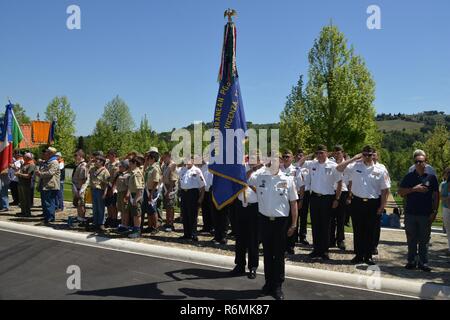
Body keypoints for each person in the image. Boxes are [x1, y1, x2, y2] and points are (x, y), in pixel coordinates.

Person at [252, 155, 298, 300]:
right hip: (265, 221)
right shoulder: (260, 177)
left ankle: (277, 286)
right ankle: (268, 284)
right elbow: (245, 178)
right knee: (266, 254)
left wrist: (294, 223)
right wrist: (258, 166)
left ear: (281, 163)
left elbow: (293, 203)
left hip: (280, 223)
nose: (273, 164)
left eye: (276, 161)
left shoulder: (288, 179)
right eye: (271, 161)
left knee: (278, 255)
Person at [337, 146, 390, 265]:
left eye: (369, 155)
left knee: (370, 230)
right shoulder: (355, 166)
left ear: (373, 155)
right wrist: (353, 159)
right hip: (357, 202)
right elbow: (339, 168)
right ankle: (359, 255)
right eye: (364, 154)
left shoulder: (380, 169)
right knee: (358, 229)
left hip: (373, 203)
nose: (367, 157)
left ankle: (368, 256)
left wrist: (382, 206)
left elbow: (385, 189)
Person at [298, 145, 342, 260]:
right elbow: (300, 163)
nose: (319, 155)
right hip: (315, 198)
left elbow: (339, 183)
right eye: (317, 153)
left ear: (327, 153)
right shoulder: (312, 163)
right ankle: (316, 249)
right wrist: (310, 154)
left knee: (326, 225)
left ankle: (324, 250)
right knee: (315, 224)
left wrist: (337, 199)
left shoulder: (333, 166)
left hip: (327, 198)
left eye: (321, 153)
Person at [398, 153, 439, 272]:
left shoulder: (431, 177)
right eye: (416, 161)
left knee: (424, 240)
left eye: (420, 161)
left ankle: (423, 262)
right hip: (410, 213)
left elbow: (436, 195)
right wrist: (414, 189)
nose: (418, 164)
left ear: (425, 163)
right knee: (411, 239)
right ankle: (411, 261)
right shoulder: (409, 177)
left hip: (425, 214)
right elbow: (400, 192)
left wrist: (435, 211)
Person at [230, 153, 266, 279]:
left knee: (253, 239)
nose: (252, 161)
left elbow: (264, 191)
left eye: (255, 158)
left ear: (260, 160)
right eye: (250, 158)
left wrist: (253, 186)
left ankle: (253, 267)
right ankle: (239, 264)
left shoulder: (263, 172)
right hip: (241, 205)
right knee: (240, 237)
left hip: (254, 207)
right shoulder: (243, 168)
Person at [178, 156, 205, 242]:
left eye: (189, 160)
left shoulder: (197, 170)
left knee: (192, 215)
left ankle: (194, 234)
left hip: (192, 193)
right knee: (185, 214)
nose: (187, 161)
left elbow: (202, 185)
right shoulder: (182, 170)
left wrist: (201, 197)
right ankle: (186, 234)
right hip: (184, 193)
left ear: (193, 161)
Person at [371, 150, 391, 255]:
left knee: (375, 224)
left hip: (377, 198)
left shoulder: (382, 168)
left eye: (374, 155)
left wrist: (383, 204)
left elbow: (386, 188)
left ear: (377, 157)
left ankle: (373, 246)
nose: (372, 157)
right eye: (371, 155)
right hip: (365, 198)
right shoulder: (362, 166)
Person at [280, 150, 299, 255]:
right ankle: (282, 245)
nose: (286, 158)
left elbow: (301, 185)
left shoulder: (296, 170)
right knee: (283, 223)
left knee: (293, 221)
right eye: (284, 156)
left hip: (292, 197)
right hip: (281, 198)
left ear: (292, 158)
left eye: (288, 157)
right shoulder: (278, 168)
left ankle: (290, 246)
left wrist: (301, 200)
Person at [330, 145, 349, 251]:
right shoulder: (331, 163)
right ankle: (331, 239)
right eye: (335, 152)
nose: (337, 154)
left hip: (343, 192)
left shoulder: (348, 164)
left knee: (341, 218)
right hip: (331, 191)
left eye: (339, 152)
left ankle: (340, 240)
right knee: (331, 218)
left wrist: (350, 195)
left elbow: (350, 181)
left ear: (343, 152)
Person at [35, 147, 60, 224]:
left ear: (51, 154)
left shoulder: (54, 162)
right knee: (45, 203)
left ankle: (50, 218)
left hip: (51, 185)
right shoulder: (47, 161)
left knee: (49, 203)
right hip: (45, 185)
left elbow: (50, 173)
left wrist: (40, 174)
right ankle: (46, 217)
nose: (45, 153)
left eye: (47, 152)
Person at [142, 148, 162, 234]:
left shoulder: (155, 168)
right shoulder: (150, 167)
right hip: (147, 190)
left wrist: (151, 193)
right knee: (148, 209)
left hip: (152, 191)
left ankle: (156, 227)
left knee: (153, 210)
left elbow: (156, 181)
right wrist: (146, 161)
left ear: (153, 159)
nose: (147, 159)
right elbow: (144, 170)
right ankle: (150, 226)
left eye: (149, 158)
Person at [88, 155, 110, 232]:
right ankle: (95, 223)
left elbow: (106, 184)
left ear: (102, 162)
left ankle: (101, 223)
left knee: (101, 208)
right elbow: (86, 169)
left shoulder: (105, 171)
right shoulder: (93, 169)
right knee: (94, 207)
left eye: (97, 160)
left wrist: (105, 193)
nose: (95, 161)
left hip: (100, 190)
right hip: (93, 189)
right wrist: (90, 162)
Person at [294, 149, 311, 246]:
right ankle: (294, 236)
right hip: (295, 193)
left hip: (306, 193)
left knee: (303, 216)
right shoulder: (294, 166)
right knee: (294, 215)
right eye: (298, 155)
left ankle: (303, 236)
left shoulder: (309, 165)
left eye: (301, 155)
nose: (299, 157)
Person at [127, 157, 145, 238]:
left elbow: (139, 188)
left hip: (136, 195)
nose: (129, 165)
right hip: (133, 194)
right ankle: (135, 229)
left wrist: (135, 199)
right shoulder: (133, 172)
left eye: (130, 163)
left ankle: (137, 231)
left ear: (134, 163)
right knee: (134, 214)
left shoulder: (136, 173)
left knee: (137, 214)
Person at [161, 152, 178, 232]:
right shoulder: (165, 165)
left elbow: (173, 180)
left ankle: (171, 224)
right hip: (165, 186)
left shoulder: (172, 165)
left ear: (169, 157)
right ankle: (167, 222)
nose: (163, 159)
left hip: (170, 187)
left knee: (170, 206)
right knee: (167, 206)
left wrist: (169, 191)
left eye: (165, 157)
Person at [72, 149, 89, 225]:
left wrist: (79, 189)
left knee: (81, 203)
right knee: (78, 203)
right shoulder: (78, 165)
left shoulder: (83, 165)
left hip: (80, 188)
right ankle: (79, 217)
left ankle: (81, 218)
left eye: (76, 155)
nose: (74, 157)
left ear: (81, 156)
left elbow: (82, 179)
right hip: (77, 187)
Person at [15, 152, 36, 217]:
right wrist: (17, 171)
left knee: (26, 199)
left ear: (28, 158)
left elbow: (28, 176)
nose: (23, 157)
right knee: (21, 199)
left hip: (26, 184)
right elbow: (21, 171)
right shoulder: (24, 164)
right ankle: (23, 212)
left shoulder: (31, 165)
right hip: (21, 183)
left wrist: (19, 174)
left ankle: (27, 213)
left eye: (24, 156)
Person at [105, 149, 120, 228]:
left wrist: (113, 187)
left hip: (114, 186)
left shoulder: (118, 164)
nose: (108, 156)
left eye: (109, 155)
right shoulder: (107, 164)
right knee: (108, 204)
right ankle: (110, 217)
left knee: (114, 204)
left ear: (114, 155)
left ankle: (114, 219)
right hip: (107, 185)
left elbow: (117, 176)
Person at [116, 160, 132, 233]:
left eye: (120, 166)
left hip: (124, 193)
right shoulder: (120, 174)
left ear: (125, 167)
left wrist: (127, 195)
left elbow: (129, 186)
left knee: (125, 210)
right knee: (121, 210)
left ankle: (125, 225)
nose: (119, 167)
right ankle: (122, 224)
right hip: (119, 193)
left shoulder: (127, 175)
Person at [200, 159, 214, 234]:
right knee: (204, 209)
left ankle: (212, 227)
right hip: (204, 190)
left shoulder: (210, 165)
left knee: (211, 209)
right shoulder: (201, 168)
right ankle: (206, 226)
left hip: (210, 189)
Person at [440, 167, 450, 256]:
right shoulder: (443, 184)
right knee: (448, 230)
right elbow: (441, 197)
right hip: (446, 208)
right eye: (447, 172)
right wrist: (446, 198)